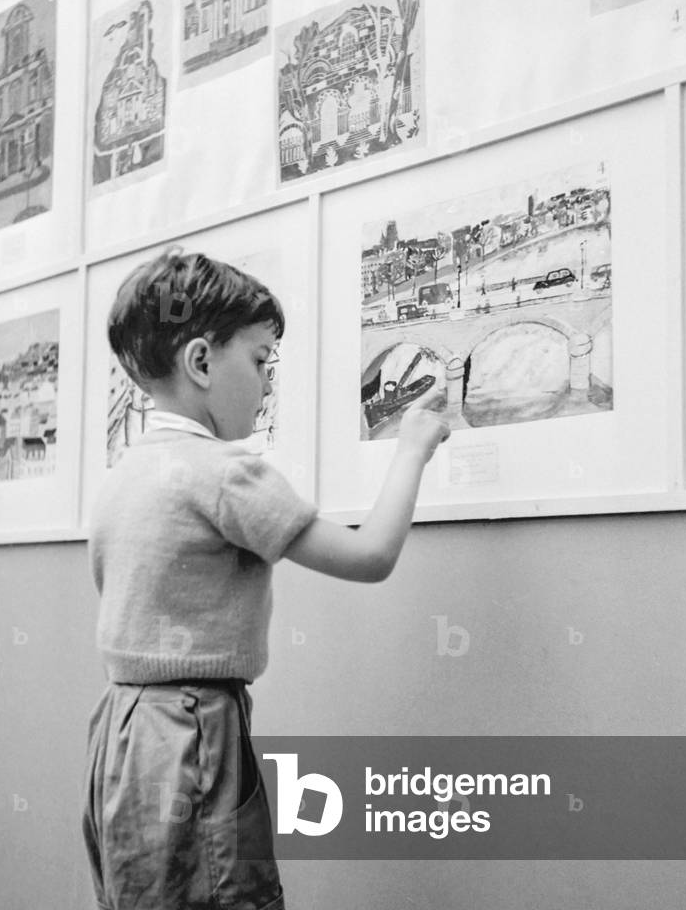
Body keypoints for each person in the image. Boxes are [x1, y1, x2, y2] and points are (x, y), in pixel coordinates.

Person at [81, 245, 450, 910]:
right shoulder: (224, 472)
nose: (269, 383)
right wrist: (413, 449)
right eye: (259, 361)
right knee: (225, 892)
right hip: (196, 729)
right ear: (200, 362)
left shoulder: (124, 475)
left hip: (121, 731)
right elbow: (371, 557)